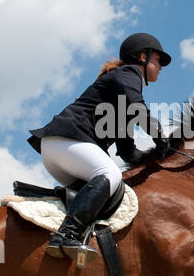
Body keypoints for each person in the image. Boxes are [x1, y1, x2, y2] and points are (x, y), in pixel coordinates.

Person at [28, 33, 171, 261]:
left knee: (109, 191)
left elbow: (127, 151)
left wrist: (158, 159)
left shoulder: (121, 90)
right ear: (143, 57)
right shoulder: (128, 73)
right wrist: (162, 137)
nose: (161, 66)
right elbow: (138, 108)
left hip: (61, 151)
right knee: (109, 173)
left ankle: (82, 236)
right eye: (158, 60)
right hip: (68, 141)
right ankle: (66, 234)